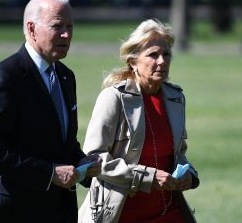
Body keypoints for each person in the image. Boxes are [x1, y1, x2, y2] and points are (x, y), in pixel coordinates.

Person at [0, 0, 101, 223]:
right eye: (58, 26)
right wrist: (49, 173)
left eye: (70, 27)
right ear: (31, 28)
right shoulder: (6, 76)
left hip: (56, 210)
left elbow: (62, 142)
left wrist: (82, 161)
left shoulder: (66, 77)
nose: (66, 35)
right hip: (10, 211)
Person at [78, 19, 200, 223]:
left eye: (166, 54)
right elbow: (94, 160)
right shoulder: (113, 97)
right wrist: (148, 177)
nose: (161, 61)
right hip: (119, 214)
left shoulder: (175, 98)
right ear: (133, 61)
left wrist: (189, 175)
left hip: (169, 213)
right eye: (153, 55)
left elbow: (178, 155)